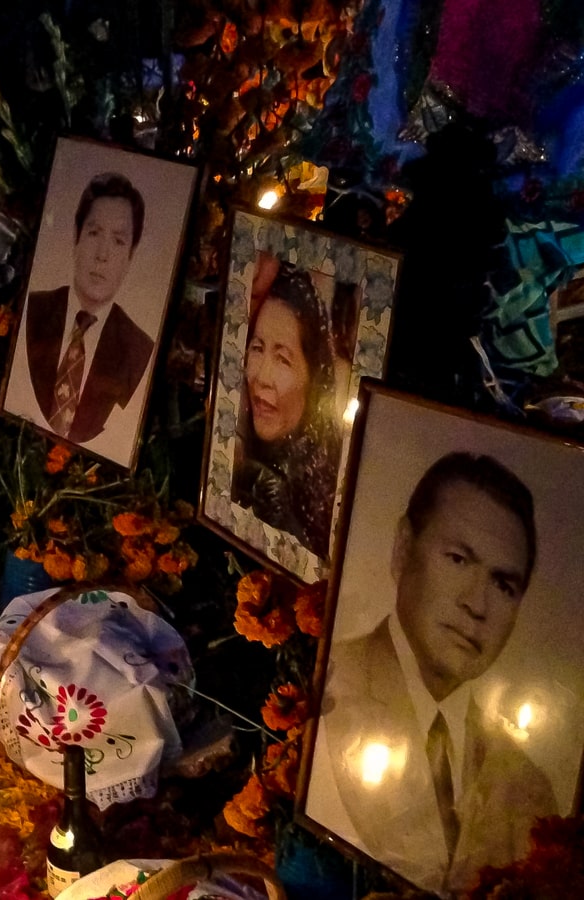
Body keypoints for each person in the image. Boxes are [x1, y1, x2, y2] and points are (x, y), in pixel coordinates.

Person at [311, 452, 557, 896]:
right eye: (459, 559)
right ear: (403, 549)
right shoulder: (322, 686)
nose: (476, 605)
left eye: (503, 585)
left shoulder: (530, 790)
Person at [23, 171, 155, 445]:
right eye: (94, 233)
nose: (102, 255)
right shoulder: (32, 311)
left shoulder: (139, 350)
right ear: (76, 237)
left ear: (130, 255)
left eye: (118, 241)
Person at [231, 262, 340, 555]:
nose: (262, 377)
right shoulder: (234, 451)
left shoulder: (320, 500)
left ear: (313, 378)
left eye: (283, 359)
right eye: (257, 348)